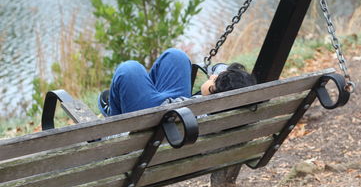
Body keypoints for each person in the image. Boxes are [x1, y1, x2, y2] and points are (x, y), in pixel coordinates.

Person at [98, 48, 256, 117]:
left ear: (215, 92)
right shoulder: (224, 111)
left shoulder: (204, 108)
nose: (213, 77)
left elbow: (167, 108)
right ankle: (126, 100)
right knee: (176, 56)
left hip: (157, 123)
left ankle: (114, 113)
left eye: (215, 80)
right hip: (177, 116)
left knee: (129, 70)